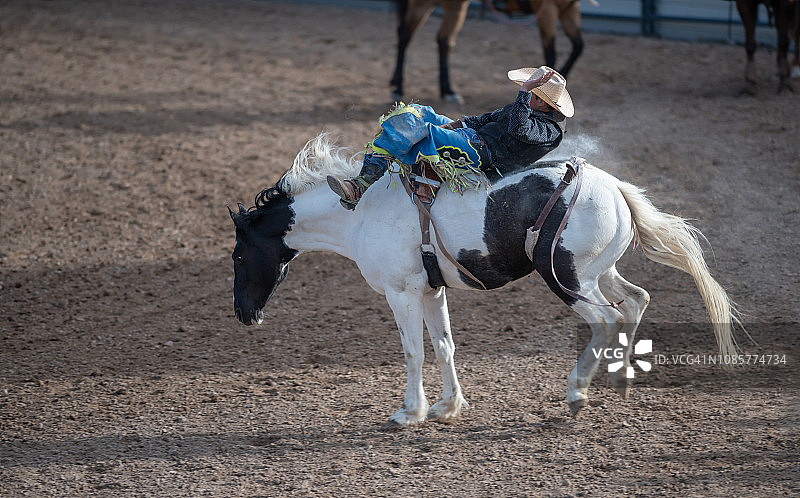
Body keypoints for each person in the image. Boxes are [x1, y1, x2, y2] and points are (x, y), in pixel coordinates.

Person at [327, 65, 573, 209]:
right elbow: (488, 118)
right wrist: (460, 123)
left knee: (425, 133)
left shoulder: (550, 131)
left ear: (542, 101)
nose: (527, 94)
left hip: (484, 156)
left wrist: (523, 93)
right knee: (415, 114)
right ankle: (368, 180)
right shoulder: (527, 106)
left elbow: (520, 128)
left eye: (532, 92)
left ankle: (360, 188)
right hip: (474, 137)